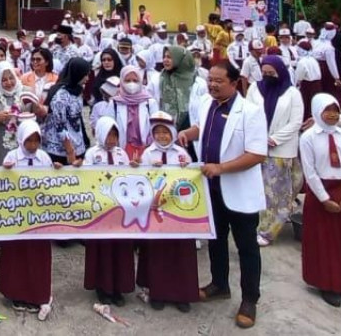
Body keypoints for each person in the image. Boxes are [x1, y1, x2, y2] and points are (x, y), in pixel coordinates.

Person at [179, 62, 266, 329]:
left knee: (247, 247)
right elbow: (202, 129)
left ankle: (250, 300)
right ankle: (219, 284)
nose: (213, 85)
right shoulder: (208, 104)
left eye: (219, 81)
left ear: (234, 82)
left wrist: (222, 168)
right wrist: (187, 133)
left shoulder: (250, 112)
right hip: (212, 189)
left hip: (239, 191)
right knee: (215, 240)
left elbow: (257, 154)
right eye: (210, 80)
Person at [299, 94, 341, 310]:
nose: (333, 114)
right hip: (320, 195)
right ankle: (326, 283)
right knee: (323, 242)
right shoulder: (308, 137)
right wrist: (325, 199)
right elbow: (310, 172)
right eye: (327, 110)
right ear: (317, 111)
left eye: (336, 110)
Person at [137, 112, 197, 312]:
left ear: (172, 133)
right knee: (158, 251)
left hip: (178, 211)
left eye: (165, 132)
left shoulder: (181, 153)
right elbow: (141, 181)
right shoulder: (148, 153)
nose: (162, 136)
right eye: (158, 133)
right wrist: (147, 169)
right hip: (156, 211)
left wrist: (185, 168)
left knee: (180, 251)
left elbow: (191, 179)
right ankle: (158, 292)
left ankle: (182, 294)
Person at [0, 119, 54, 317]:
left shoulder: (44, 158)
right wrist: (5, 172)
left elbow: (53, 184)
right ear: (21, 139)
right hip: (18, 217)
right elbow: (1, 185)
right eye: (28, 141)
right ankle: (16, 293)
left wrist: (58, 171)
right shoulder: (12, 157)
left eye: (36, 141)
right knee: (17, 255)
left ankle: (36, 294)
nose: (32, 145)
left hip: (39, 217)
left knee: (37, 256)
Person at [247, 54, 304, 246]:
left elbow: (296, 121)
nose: (268, 76)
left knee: (279, 195)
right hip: (257, 149)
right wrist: (257, 138)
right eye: (264, 73)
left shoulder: (292, 93)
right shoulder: (255, 88)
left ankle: (268, 231)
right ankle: (263, 226)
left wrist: (273, 139)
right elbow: (247, 114)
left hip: (281, 151)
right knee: (262, 193)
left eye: (272, 73)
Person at [82, 117, 134, 306]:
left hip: (120, 210)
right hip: (101, 210)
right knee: (103, 248)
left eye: (115, 135)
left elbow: (130, 177)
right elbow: (86, 179)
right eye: (109, 134)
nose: (112, 139)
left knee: (120, 248)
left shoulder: (122, 154)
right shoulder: (92, 154)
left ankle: (119, 287)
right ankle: (103, 288)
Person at [40, 57, 90, 167]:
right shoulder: (61, 96)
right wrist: (70, 151)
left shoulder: (77, 91)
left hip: (77, 144)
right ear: (77, 74)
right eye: (85, 74)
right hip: (60, 151)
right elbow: (60, 126)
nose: (87, 78)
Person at [111, 64, 156, 162]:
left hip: (146, 150)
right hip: (121, 151)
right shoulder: (115, 102)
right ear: (121, 81)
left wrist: (149, 146)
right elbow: (110, 127)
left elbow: (156, 125)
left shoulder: (149, 101)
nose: (131, 84)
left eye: (135, 81)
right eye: (127, 81)